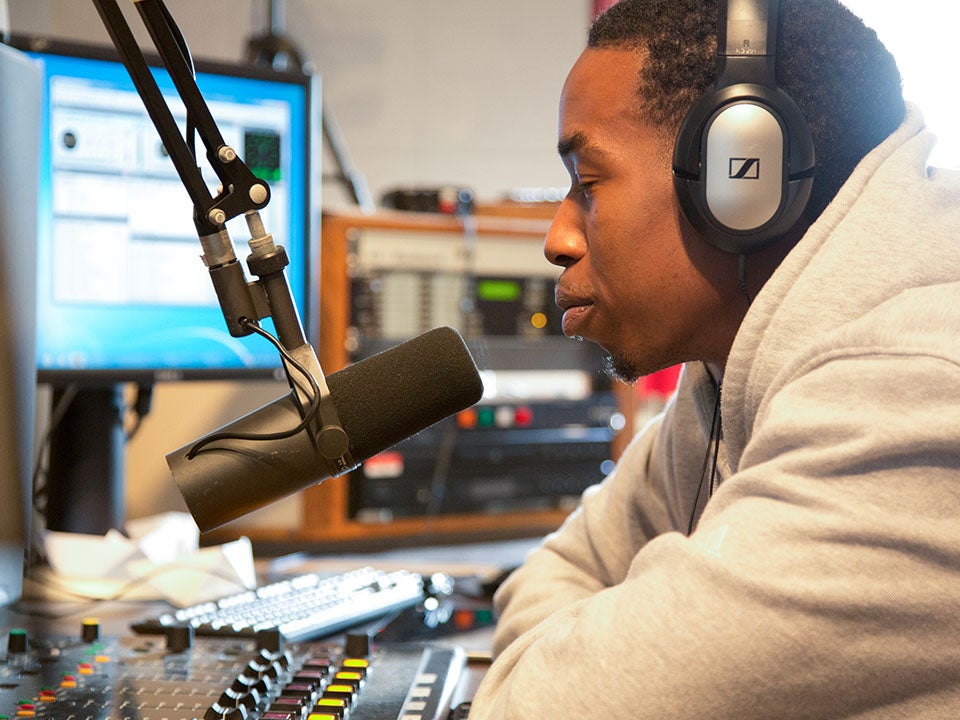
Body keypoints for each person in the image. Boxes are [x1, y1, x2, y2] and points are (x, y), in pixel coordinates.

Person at [468, 0, 960, 717]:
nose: (557, 238)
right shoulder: (729, 376)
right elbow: (566, 564)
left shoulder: (909, 396)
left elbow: (535, 707)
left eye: (588, 183)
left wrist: (559, 658)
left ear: (741, 177)